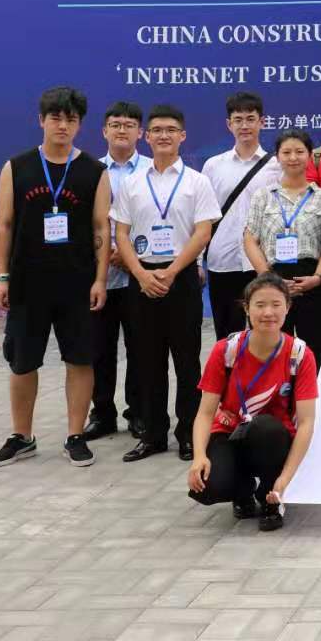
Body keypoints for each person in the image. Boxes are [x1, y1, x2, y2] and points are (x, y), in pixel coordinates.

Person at [0, 86, 111, 469]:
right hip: (28, 283)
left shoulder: (94, 171)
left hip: (77, 283)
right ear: (41, 120)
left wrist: (100, 279)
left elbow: (101, 229)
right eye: (55, 117)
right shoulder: (16, 167)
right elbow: (4, 224)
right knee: (23, 362)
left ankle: (75, 435)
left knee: (80, 359)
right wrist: (2, 277)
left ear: (79, 124)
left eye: (71, 119)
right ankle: (21, 436)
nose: (62, 125)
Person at [112, 104, 222, 463]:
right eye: (157, 130)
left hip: (182, 276)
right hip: (142, 279)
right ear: (147, 136)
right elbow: (121, 234)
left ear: (182, 136)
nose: (163, 136)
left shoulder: (196, 182)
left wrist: (172, 271)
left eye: (171, 130)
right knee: (147, 360)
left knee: (187, 361)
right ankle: (153, 434)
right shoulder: (132, 183)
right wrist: (141, 274)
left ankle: (189, 434)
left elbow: (203, 232)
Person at [188, 273, 318, 532]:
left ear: (288, 307)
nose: (268, 312)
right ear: (247, 308)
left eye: (276, 304)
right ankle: (243, 489)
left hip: (274, 439)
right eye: (260, 305)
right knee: (207, 487)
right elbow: (205, 413)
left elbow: (306, 423)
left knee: (266, 428)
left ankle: (271, 498)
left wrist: (285, 479)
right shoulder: (226, 350)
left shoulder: (300, 354)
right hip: (229, 432)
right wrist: (199, 456)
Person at [85, 100, 148, 444]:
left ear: (140, 132)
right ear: (104, 131)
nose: (122, 130)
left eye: (129, 125)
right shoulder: (90, 171)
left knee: (140, 347)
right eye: (115, 124)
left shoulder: (154, 169)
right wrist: (103, 256)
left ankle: (138, 412)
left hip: (140, 273)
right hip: (101, 277)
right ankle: (102, 413)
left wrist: (128, 255)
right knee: (99, 348)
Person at [242, 128, 321, 363]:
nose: (293, 157)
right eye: (286, 152)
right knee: (271, 351)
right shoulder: (263, 196)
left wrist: (318, 277)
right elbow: (250, 239)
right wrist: (267, 277)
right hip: (273, 280)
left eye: (299, 152)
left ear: (310, 155)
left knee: (315, 351)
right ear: (277, 157)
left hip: (311, 282)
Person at [203, 92, 282, 341]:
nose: (244, 125)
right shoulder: (213, 166)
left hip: (263, 261)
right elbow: (203, 217)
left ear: (262, 122)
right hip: (222, 260)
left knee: (267, 331)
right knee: (228, 337)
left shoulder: (277, 165)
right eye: (238, 120)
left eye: (250, 119)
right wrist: (196, 262)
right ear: (229, 124)